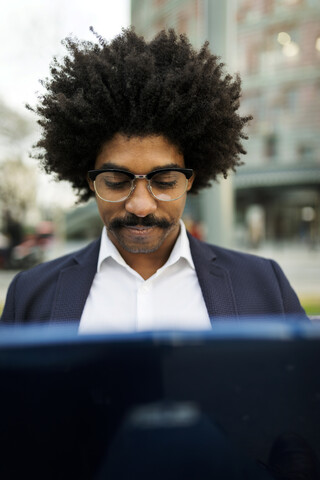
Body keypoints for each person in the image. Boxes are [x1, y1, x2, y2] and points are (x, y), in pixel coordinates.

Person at [1, 27, 306, 328]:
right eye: (117, 181)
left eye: (164, 181)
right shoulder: (29, 296)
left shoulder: (266, 286)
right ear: (91, 182)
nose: (141, 206)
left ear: (190, 180)